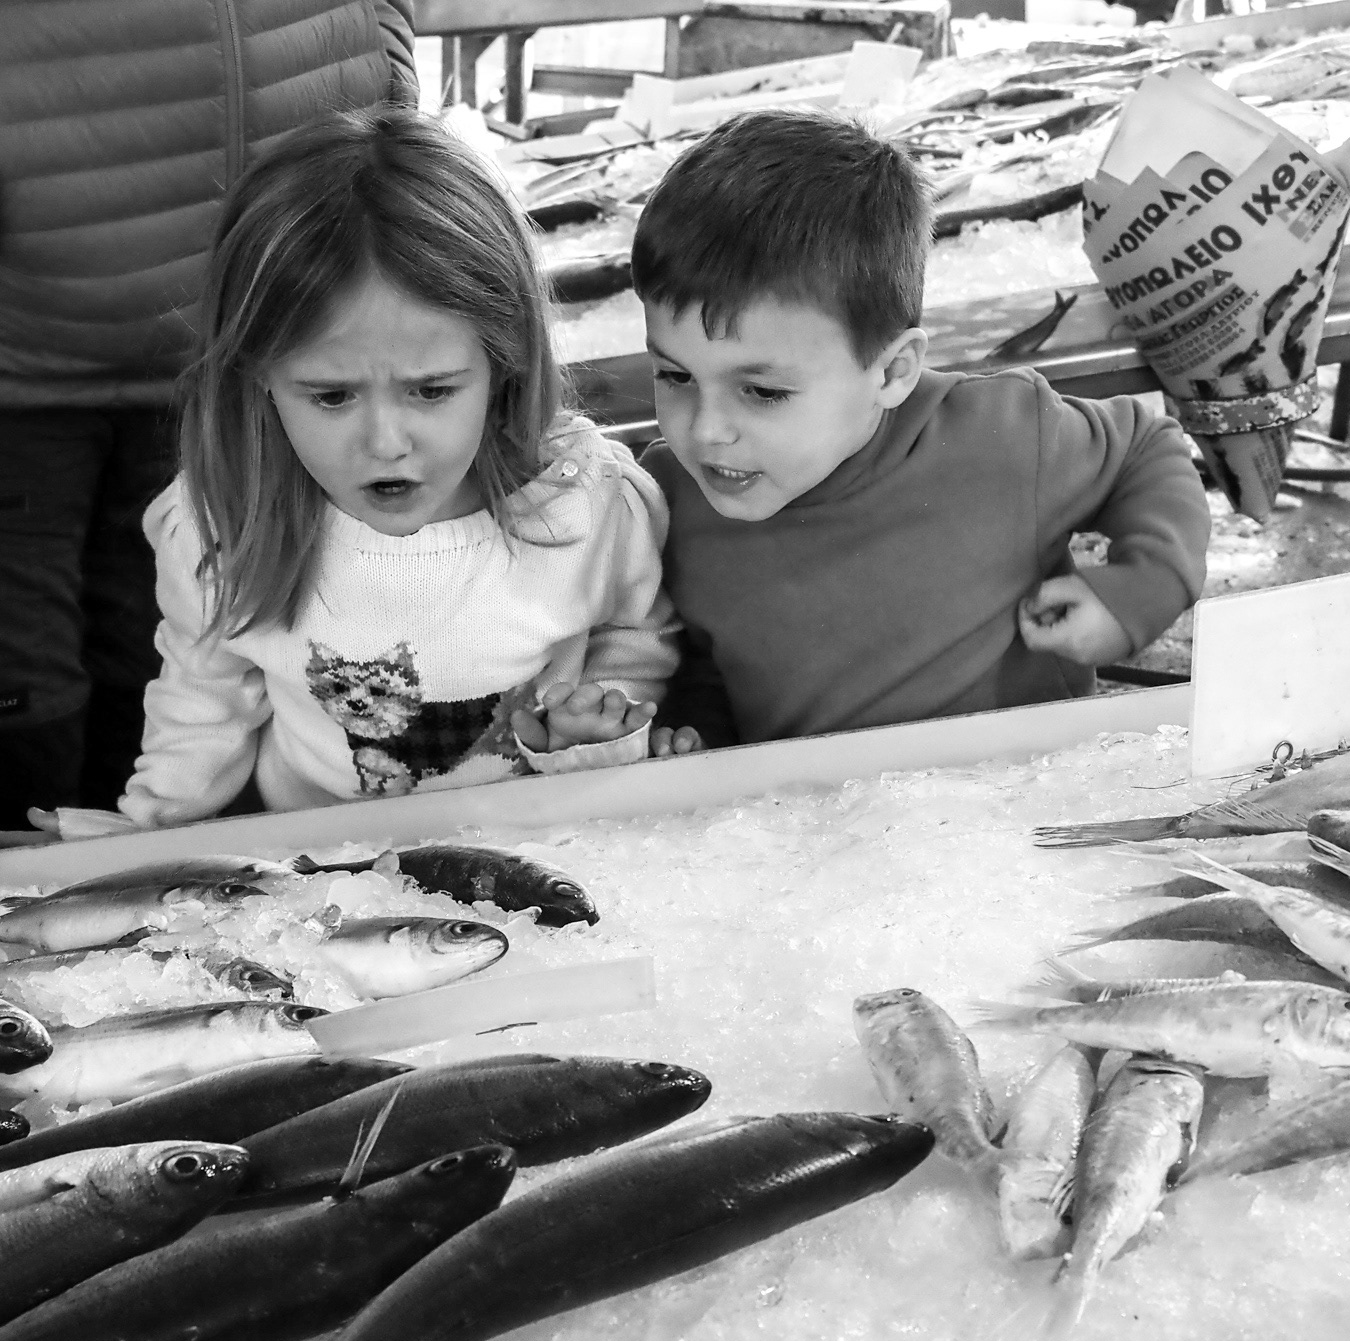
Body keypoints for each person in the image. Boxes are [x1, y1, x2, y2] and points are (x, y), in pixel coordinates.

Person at [34, 107, 680, 835]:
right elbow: (204, 694)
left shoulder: (587, 504)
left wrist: (594, 729)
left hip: (543, 847)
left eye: (431, 390)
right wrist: (149, 832)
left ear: (505, 364)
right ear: (259, 375)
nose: (385, 443)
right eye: (332, 395)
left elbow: (635, 640)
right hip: (323, 884)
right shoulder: (223, 523)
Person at [632, 111, 1210, 758]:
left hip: (1024, 821)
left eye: (763, 391)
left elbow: (1147, 449)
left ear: (893, 371)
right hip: (820, 838)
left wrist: (1136, 591)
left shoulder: (1002, 435)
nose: (706, 431)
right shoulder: (669, 500)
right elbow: (706, 663)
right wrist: (692, 733)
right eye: (675, 375)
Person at [0, 0, 420, 832]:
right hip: (24, 365)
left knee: (186, 638)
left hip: (255, 340)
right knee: (23, 672)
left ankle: (138, 864)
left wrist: (384, 75)